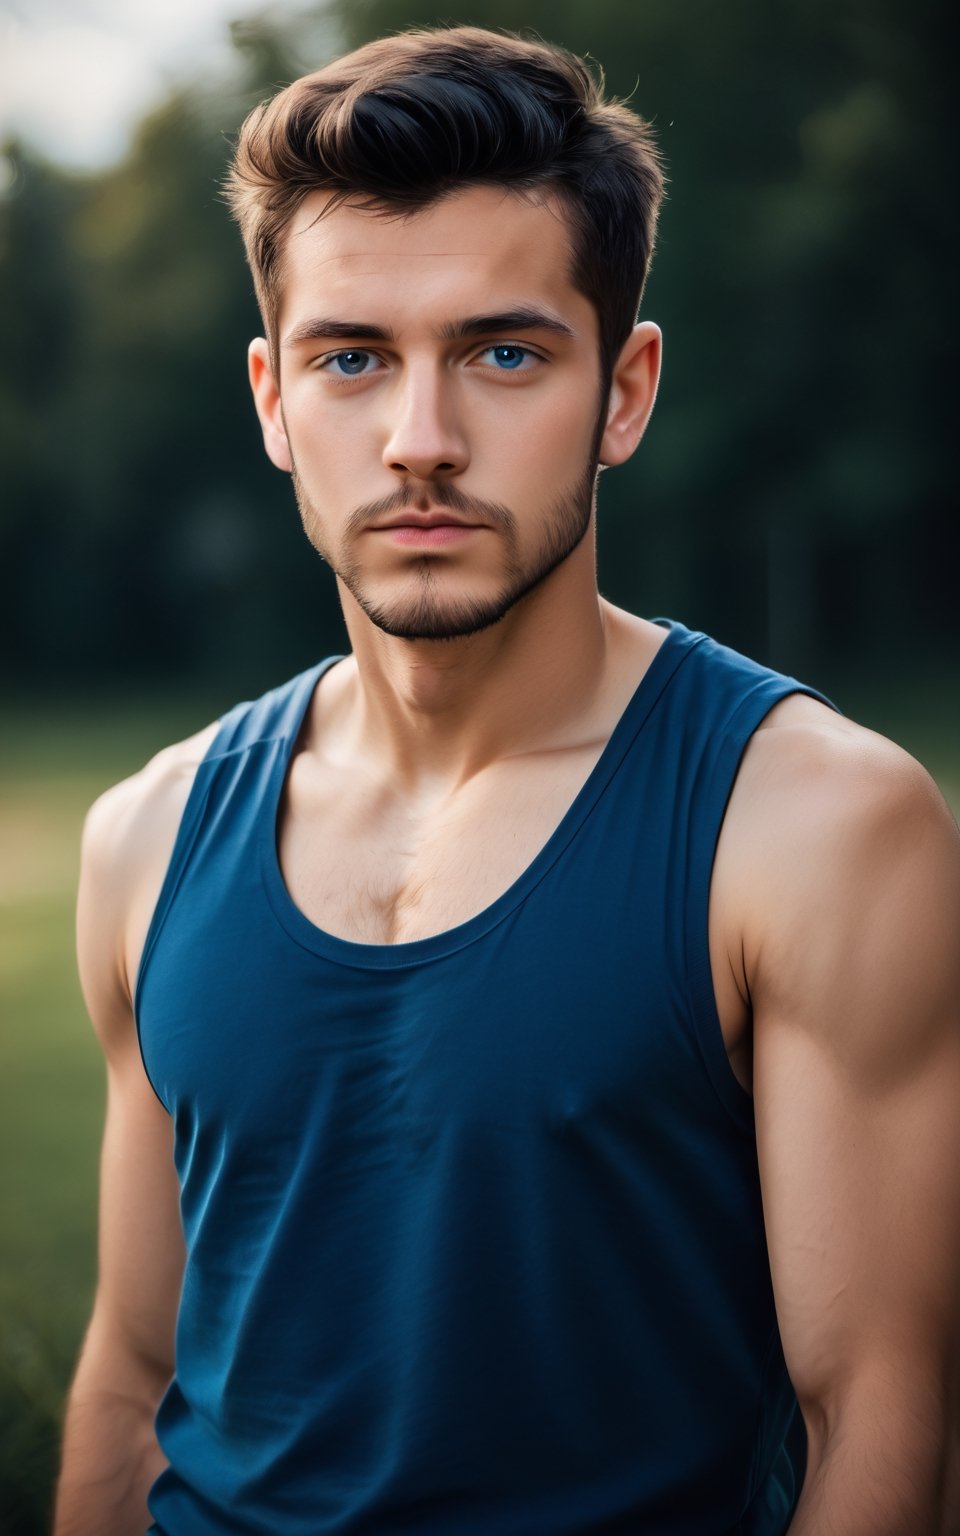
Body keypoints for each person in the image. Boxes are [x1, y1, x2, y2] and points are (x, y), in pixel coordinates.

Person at [53, 24, 960, 1536]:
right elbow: (130, 1378)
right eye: (355, 359)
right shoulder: (144, 836)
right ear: (276, 402)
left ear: (624, 389)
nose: (421, 442)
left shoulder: (813, 823)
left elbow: (885, 1419)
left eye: (504, 352)